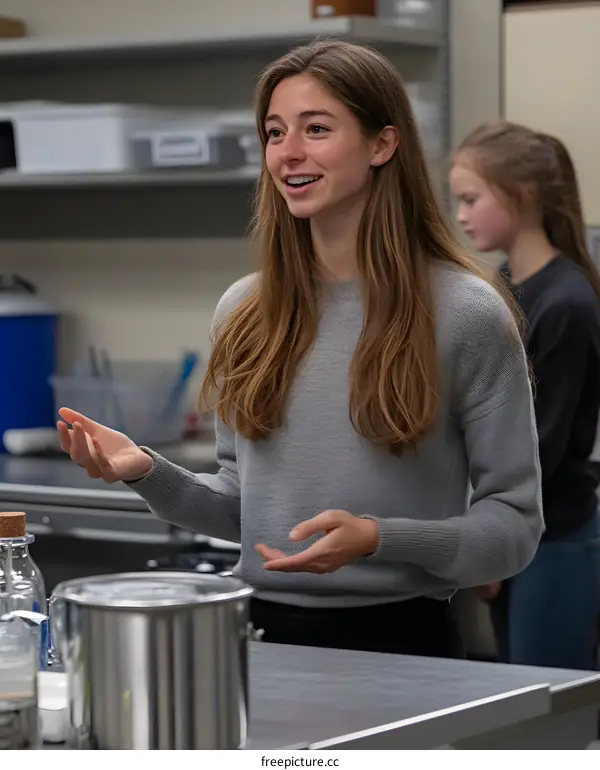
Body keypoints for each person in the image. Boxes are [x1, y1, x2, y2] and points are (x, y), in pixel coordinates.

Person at [57, 40, 543, 660]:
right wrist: (149, 472)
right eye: (274, 132)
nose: (287, 153)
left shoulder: (466, 312)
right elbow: (244, 510)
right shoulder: (245, 311)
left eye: (316, 129)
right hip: (259, 643)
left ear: (381, 144)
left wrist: (378, 539)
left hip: (405, 646)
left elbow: (513, 530)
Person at [450, 119, 600, 670]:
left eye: (471, 199)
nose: (461, 215)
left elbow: (543, 444)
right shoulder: (503, 284)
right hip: (512, 536)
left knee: (547, 722)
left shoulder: (566, 302)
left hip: (552, 540)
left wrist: (492, 546)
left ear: (523, 195)